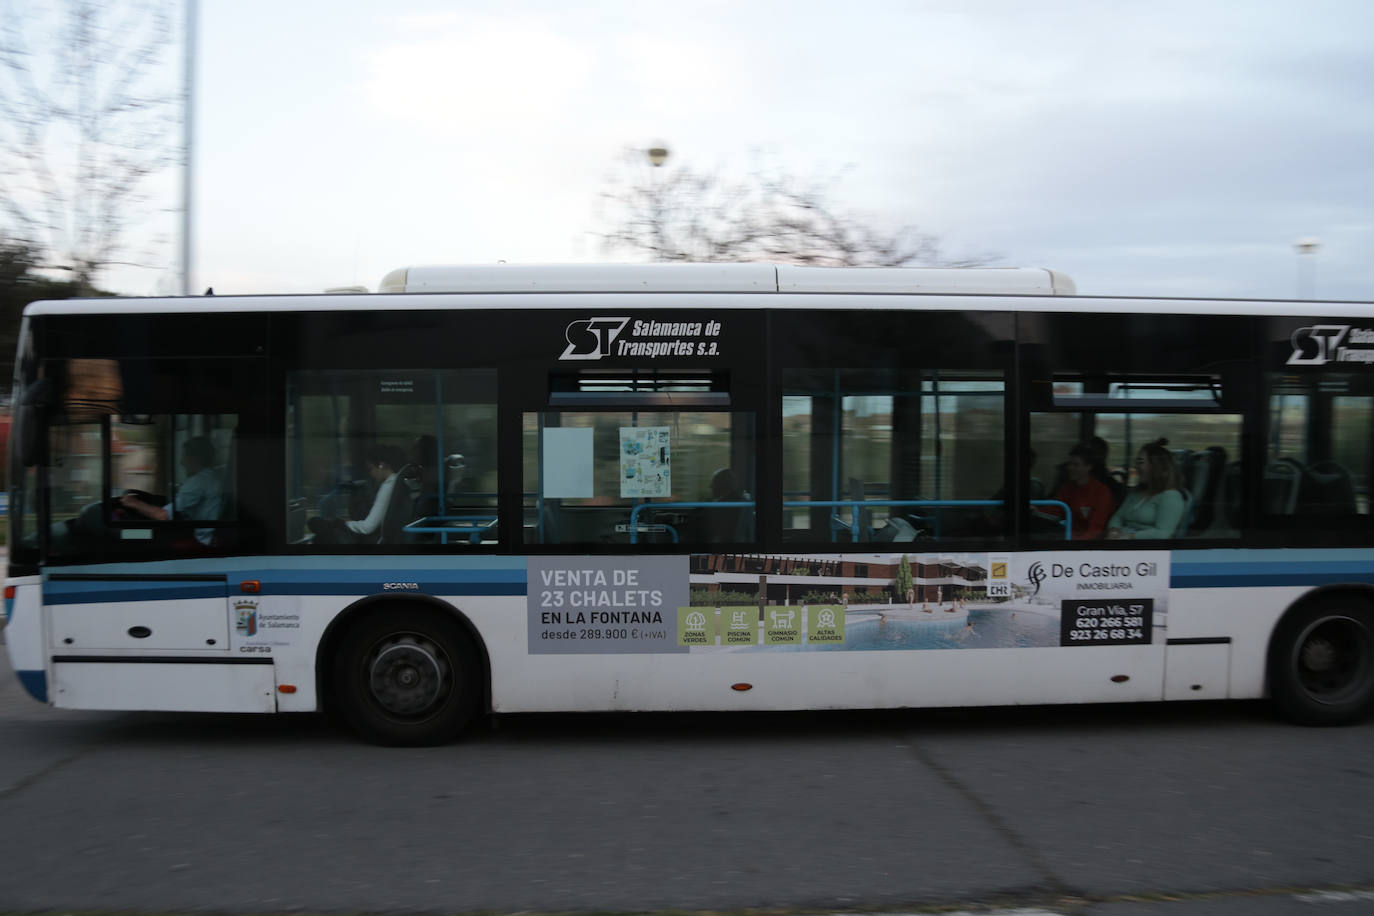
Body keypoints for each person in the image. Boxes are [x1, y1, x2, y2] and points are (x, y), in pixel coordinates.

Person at [120, 436, 223, 545]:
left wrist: (134, 503)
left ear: (195, 458)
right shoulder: (210, 477)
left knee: (127, 534)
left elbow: (163, 516)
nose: (182, 462)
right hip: (196, 534)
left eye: (184, 456)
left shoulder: (199, 482)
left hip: (199, 541)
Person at [309, 444, 407, 544]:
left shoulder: (388, 485)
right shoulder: (397, 482)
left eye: (371, 469)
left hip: (370, 538)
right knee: (318, 526)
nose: (371, 474)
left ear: (381, 466)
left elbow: (368, 527)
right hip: (375, 534)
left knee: (316, 525)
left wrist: (344, 524)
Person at [1107, 438, 1186, 539]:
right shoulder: (1137, 492)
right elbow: (1118, 517)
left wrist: (1130, 537)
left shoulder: (1171, 497)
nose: (1136, 467)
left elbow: (1163, 533)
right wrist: (1114, 531)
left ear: (1155, 466)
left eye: (1141, 462)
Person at [1040, 443, 1115, 539]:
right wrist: (1037, 510)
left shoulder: (1102, 493)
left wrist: (1074, 545)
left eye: (1076, 464)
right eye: (1069, 464)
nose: (1070, 468)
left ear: (1088, 467)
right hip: (1070, 537)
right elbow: (1054, 510)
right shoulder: (1068, 488)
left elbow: (1095, 530)